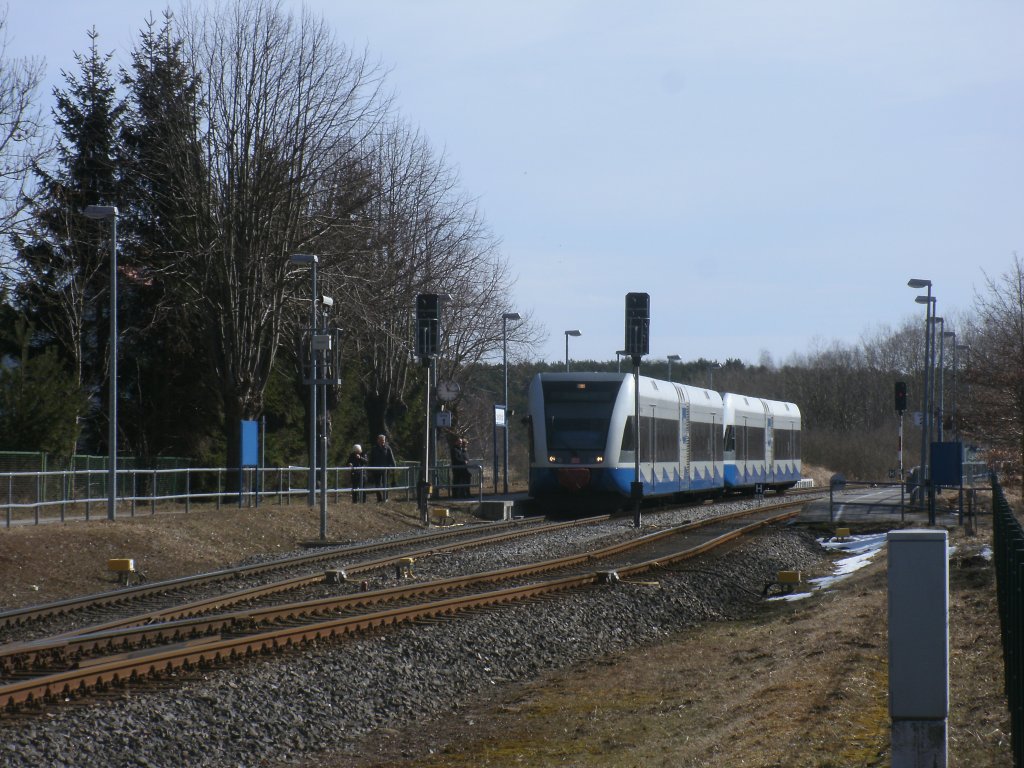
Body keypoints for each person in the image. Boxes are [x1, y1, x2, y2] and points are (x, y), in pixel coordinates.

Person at [368, 434, 396, 502]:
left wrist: (393, 467)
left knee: (385, 484)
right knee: (377, 484)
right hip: (376, 469)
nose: (382, 442)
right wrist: (370, 469)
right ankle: (379, 498)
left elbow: (391, 458)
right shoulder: (374, 449)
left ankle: (385, 498)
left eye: (383, 440)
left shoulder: (388, 448)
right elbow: (371, 459)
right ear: (378, 440)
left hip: (385, 470)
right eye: (381, 440)